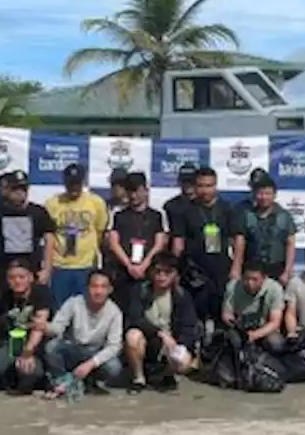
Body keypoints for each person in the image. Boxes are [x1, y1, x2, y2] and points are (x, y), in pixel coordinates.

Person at [0, 170, 56, 316]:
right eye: (15, 188)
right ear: (7, 189)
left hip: (29, 272)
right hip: (0, 273)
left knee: (33, 310)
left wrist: (47, 269)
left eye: (23, 189)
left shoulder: (38, 212)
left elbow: (50, 239)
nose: (19, 193)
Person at [169, 166, 234, 336]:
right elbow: (178, 242)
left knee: (221, 319)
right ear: (195, 187)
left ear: (216, 186)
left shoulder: (227, 209)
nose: (205, 190)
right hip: (195, 272)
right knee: (195, 320)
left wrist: (236, 268)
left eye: (209, 185)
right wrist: (174, 271)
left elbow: (237, 241)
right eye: (201, 186)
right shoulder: (184, 211)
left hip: (221, 270)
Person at [123, 253, 200, 393]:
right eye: (158, 271)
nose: (162, 276)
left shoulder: (182, 296)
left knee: (184, 362)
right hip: (147, 338)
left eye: (167, 272)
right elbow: (134, 318)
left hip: (171, 342)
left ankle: (167, 375)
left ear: (175, 274)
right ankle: (138, 378)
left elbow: (189, 326)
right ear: (151, 272)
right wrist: (160, 333)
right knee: (132, 336)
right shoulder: (140, 290)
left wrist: (180, 344)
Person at [0, 259, 55, 394]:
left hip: (34, 345)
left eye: (22, 277)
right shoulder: (1, 296)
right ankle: (8, 377)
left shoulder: (41, 294)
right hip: (10, 343)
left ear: (31, 278)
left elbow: (39, 326)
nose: (17, 281)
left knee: (30, 372)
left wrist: (28, 352)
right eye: (12, 277)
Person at [45, 270, 125, 396]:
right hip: (73, 348)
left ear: (110, 290)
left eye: (103, 287)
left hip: (95, 352)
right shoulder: (73, 303)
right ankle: (61, 381)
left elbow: (114, 346)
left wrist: (90, 364)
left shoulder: (115, 312)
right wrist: (45, 326)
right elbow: (57, 327)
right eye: (94, 286)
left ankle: (92, 381)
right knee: (52, 346)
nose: (98, 291)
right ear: (87, 288)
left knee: (114, 367)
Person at [44, 162, 109, 310]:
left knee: (85, 309)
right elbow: (49, 235)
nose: (74, 187)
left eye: (77, 183)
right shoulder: (52, 203)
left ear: (83, 182)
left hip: (85, 266)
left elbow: (100, 231)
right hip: (60, 265)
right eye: (71, 183)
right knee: (60, 308)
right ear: (65, 182)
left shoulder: (96, 202)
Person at [106, 172, 168, 308]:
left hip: (148, 272)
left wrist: (144, 264)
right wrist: (129, 265)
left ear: (145, 191)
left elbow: (159, 243)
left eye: (137, 191)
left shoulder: (157, 215)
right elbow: (113, 243)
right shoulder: (118, 215)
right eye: (129, 191)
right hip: (124, 271)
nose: (133, 196)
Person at [231, 173, 295, 284]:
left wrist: (287, 271)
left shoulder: (284, 216)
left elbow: (290, 244)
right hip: (251, 269)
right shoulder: (246, 215)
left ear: (274, 195)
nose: (264, 197)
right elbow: (240, 243)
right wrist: (236, 268)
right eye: (260, 193)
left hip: (276, 269)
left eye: (268, 193)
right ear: (255, 194)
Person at [221, 262, 287, 353]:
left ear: (264, 278)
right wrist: (233, 323)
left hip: (265, 330)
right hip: (241, 328)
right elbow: (226, 313)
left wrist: (254, 335)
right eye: (246, 279)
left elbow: (275, 322)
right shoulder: (233, 287)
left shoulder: (275, 289)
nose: (250, 283)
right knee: (231, 341)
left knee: (276, 343)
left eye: (254, 279)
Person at [163, 162, 199, 252]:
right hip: (179, 257)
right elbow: (166, 236)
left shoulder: (205, 204)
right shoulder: (170, 206)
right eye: (185, 181)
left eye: (191, 181)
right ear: (179, 181)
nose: (188, 184)